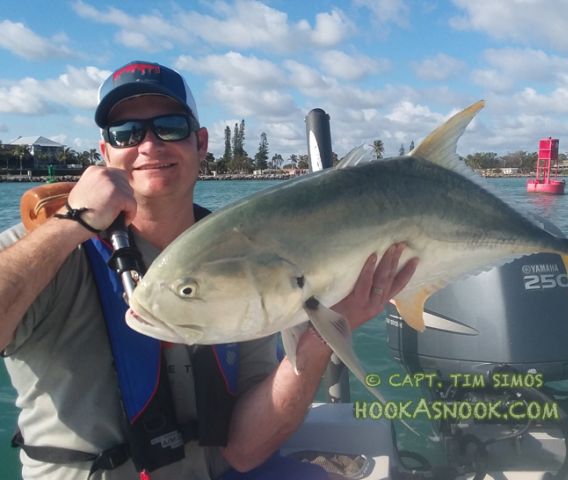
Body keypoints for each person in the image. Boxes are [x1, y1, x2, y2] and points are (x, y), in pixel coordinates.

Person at [0, 60, 418, 480]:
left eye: (170, 126)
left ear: (200, 143)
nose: (149, 145)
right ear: (104, 152)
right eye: (125, 133)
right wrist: (73, 223)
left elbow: (245, 450)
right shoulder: (41, 249)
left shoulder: (244, 260)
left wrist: (320, 340)